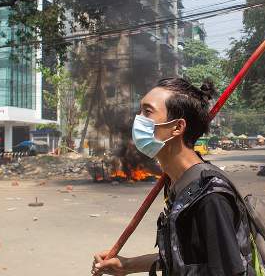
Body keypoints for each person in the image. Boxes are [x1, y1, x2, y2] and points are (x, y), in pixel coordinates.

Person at [92, 78, 254, 276]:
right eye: (139, 111)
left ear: (177, 127)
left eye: (147, 111)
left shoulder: (210, 196)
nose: (137, 119)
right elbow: (185, 258)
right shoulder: (177, 184)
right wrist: (127, 266)